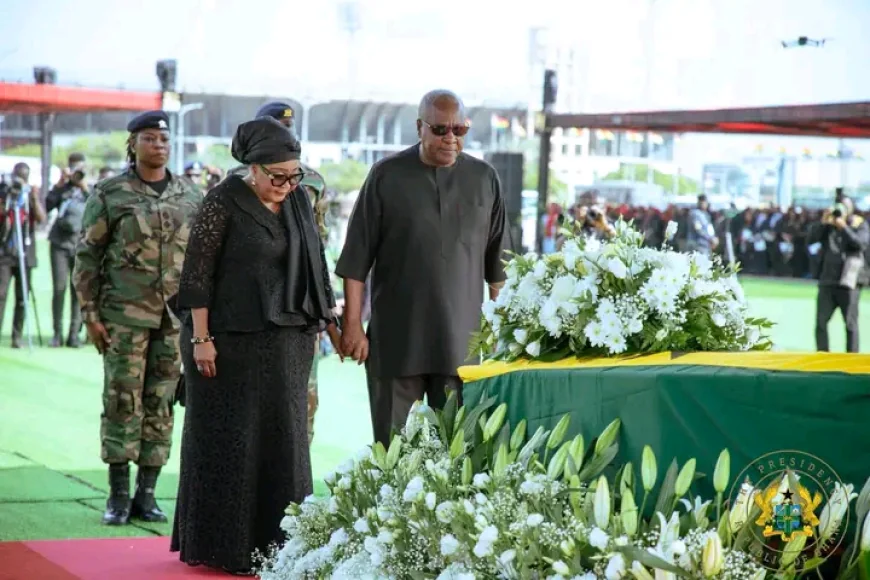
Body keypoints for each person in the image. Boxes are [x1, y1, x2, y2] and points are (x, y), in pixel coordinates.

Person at [170, 117, 341, 575]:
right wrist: (202, 339)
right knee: (230, 442)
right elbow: (196, 277)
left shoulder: (300, 201)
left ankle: (282, 547)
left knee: (286, 442)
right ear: (253, 169)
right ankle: (224, 546)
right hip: (226, 344)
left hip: (288, 340)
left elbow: (317, 267)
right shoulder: (222, 200)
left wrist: (330, 321)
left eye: (295, 175)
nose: (287, 184)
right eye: (278, 176)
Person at [336, 89, 507, 447]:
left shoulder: (485, 179)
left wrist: (502, 331)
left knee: (459, 458)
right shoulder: (385, 175)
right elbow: (355, 259)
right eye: (440, 129)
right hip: (397, 342)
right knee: (394, 458)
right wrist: (352, 325)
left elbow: (499, 269)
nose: (450, 138)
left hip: (464, 347)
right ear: (419, 127)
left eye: (459, 131)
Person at [73, 110, 202, 526]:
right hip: (123, 316)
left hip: (174, 319)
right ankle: (117, 495)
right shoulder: (111, 193)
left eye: (163, 139)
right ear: (134, 144)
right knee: (122, 401)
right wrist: (90, 312)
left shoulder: (191, 195)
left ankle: (147, 494)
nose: (158, 146)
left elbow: (203, 262)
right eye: (149, 138)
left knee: (162, 402)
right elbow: (87, 256)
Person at [244, 100, 331, 446]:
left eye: (286, 130)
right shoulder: (234, 184)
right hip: (249, 311)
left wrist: (326, 313)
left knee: (302, 404)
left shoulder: (311, 181)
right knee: (250, 405)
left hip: (298, 310)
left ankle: (296, 491)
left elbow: (318, 249)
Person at [808, 197, 869, 353]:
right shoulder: (828, 225)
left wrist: (844, 228)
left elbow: (860, 244)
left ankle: (851, 357)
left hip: (849, 281)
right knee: (821, 321)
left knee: (850, 323)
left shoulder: (859, 224)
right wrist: (823, 222)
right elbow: (811, 239)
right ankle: (822, 355)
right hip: (828, 279)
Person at [45, 154, 90, 347]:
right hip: (60, 244)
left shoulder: (91, 189)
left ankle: (74, 334)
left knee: (77, 290)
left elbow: (99, 206)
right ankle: (57, 333)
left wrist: (84, 186)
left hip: (81, 244)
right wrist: (59, 185)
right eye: (74, 169)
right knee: (59, 288)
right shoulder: (62, 188)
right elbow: (47, 206)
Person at [0, 162, 45, 348]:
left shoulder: (30, 195)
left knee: (22, 296)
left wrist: (33, 197)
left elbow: (42, 219)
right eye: (18, 175)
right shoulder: (4, 192)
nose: (20, 180)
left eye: (23, 176)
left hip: (25, 253)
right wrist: (6, 198)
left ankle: (16, 336)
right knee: (0, 294)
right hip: (5, 252)